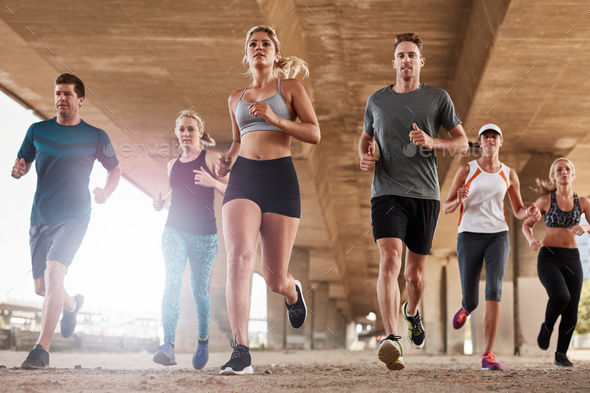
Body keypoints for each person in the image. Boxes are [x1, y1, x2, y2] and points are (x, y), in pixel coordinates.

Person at [359, 32, 468, 370]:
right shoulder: (376, 101)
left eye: (412, 55)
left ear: (421, 62)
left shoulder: (438, 98)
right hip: (386, 192)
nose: (406, 60)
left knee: (415, 276)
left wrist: (432, 142)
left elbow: (463, 144)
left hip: (424, 195)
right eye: (401, 55)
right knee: (390, 259)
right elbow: (365, 138)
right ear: (393, 62)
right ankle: (392, 338)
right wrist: (365, 156)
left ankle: (412, 313)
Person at [215, 25, 320, 375]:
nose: (259, 48)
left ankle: (292, 291)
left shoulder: (289, 88)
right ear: (246, 55)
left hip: (280, 180)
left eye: (266, 44)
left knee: (273, 278)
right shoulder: (235, 97)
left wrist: (275, 118)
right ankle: (240, 350)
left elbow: (314, 132)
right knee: (239, 259)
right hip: (243, 179)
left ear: (276, 54)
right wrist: (226, 159)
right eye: (253, 44)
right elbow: (236, 139)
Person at [12, 73, 121, 369]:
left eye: (68, 94)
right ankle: (72, 305)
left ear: (80, 100)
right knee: (42, 287)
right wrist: (19, 169)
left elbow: (115, 170)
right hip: (40, 217)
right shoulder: (37, 131)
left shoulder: (96, 136)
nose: (61, 98)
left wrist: (106, 192)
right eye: (58, 93)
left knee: (55, 273)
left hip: (75, 216)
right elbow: (23, 161)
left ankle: (41, 350)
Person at [443, 123, 540, 370]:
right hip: (468, 235)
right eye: (485, 137)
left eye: (494, 137)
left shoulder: (509, 173)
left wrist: (530, 211)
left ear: (500, 142)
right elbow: (447, 207)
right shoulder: (467, 169)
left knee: (494, 291)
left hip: (498, 235)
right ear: (480, 142)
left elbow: (518, 210)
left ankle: (488, 354)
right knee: (473, 299)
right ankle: (466, 308)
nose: (490, 140)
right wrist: (459, 197)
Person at [151, 110, 227, 370]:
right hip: (174, 229)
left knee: (198, 290)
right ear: (177, 132)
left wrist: (212, 182)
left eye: (191, 129)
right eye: (182, 129)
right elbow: (179, 189)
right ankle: (168, 345)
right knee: (172, 280)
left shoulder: (212, 158)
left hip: (205, 235)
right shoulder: (172, 164)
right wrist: (162, 202)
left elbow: (234, 190)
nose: (186, 134)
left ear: (200, 133)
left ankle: (203, 341)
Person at [522, 158, 589, 367]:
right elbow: (527, 225)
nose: (564, 172)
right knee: (561, 296)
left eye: (568, 169)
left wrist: (585, 228)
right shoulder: (545, 201)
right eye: (559, 170)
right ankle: (547, 327)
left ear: (573, 174)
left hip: (572, 258)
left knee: (572, 309)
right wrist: (531, 239)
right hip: (549, 257)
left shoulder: (584, 202)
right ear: (553, 176)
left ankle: (561, 354)